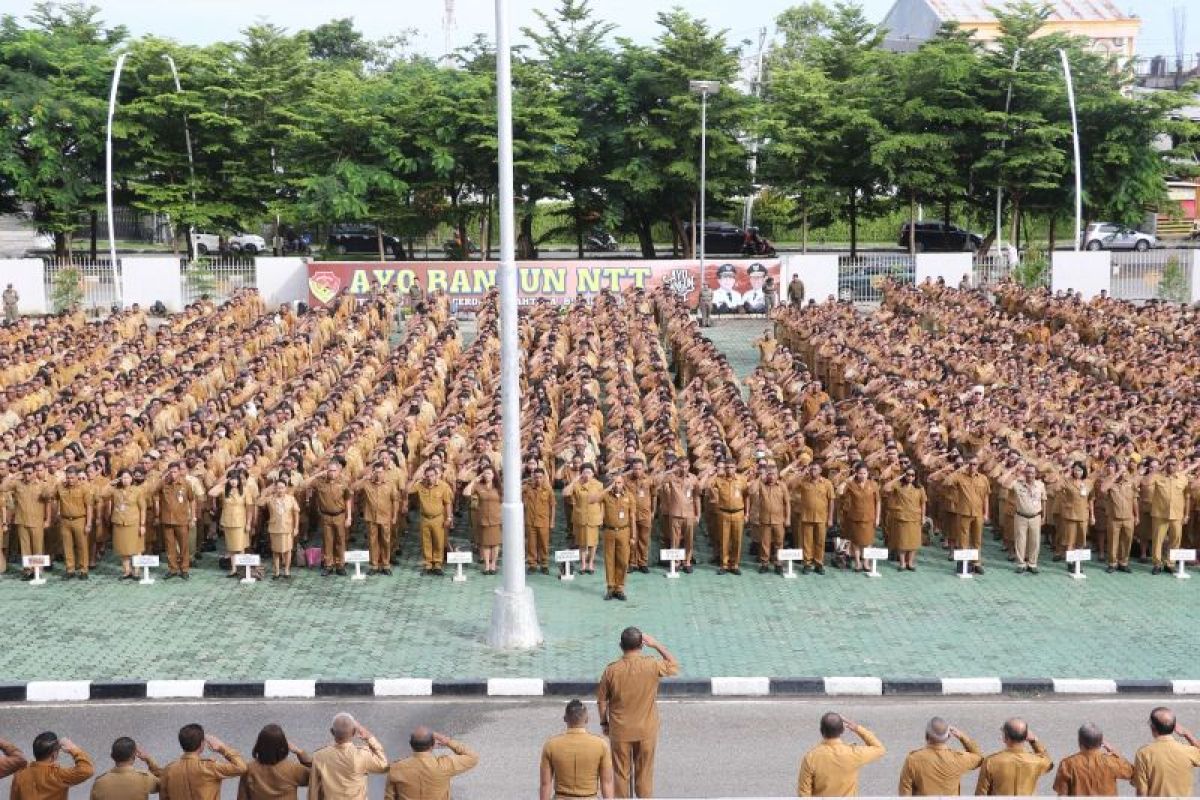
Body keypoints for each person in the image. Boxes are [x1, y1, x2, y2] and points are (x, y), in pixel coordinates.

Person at [597, 628, 680, 798]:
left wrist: (604, 723)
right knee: (644, 774)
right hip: (646, 730)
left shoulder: (611, 670)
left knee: (620, 774)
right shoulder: (652, 664)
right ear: (642, 644)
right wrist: (656, 644)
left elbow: (602, 700)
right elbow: (673, 665)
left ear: (621, 645)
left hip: (620, 731)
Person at [796, 712, 886, 797]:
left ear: (821, 731)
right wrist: (857, 728)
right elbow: (879, 749)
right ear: (842, 730)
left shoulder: (810, 757)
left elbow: (804, 793)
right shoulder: (854, 754)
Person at [540, 700, 614, 800]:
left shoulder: (551, 745)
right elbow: (607, 783)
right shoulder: (601, 745)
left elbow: (545, 784)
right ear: (587, 719)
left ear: (565, 719)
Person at [383, 727, 477, 800]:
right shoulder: (444, 765)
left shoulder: (396, 768)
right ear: (432, 745)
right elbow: (472, 757)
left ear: (411, 745)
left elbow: (389, 797)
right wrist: (446, 740)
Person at [309, 714, 387, 800]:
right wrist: (369, 737)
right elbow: (383, 766)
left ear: (332, 732)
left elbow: (314, 789)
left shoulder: (319, 756)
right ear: (354, 732)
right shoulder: (362, 754)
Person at [158, 725, 246, 800]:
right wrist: (222, 748)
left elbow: (164, 797)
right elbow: (241, 767)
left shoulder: (168, 770)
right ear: (202, 744)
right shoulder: (209, 767)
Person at [897, 718, 981, 796]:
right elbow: (979, 758)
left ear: (926, 736)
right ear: (948, 736)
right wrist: (962, 737)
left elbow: (905, 791)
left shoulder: (913, 759)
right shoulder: (959, 758)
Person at [1132, 707, 1200, 797]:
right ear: (1174, 727)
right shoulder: (1188, 751)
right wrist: (1188, 735)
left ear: (1153, 727)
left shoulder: (1143, 753)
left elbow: (1142, 791)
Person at [974, 718, 1052, 796]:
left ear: (1005, 738)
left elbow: (981, 793)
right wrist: (1034, 741)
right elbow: (1049, 764)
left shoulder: (991, 761)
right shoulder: (1038, 761)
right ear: (1026, 737)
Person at [1052, 723, 1131, 796]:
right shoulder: (1111, 761)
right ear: (1101, 743)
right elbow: (1131, 772)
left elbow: (1062, 793)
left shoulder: (1067, 764)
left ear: (1080, 742)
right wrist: (1114, 751)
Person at [304, 460, 353, 577]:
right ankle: (328, 565)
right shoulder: (320, 482)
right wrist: (318, 474)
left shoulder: (344, 482)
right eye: (329, 470)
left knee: (340, 541)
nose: (331, 473)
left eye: (334, 470)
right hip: (326, 516)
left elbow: (348, 500)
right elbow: (304, 484)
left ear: (338, 471)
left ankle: (340, 564)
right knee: (327, 541)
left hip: (339, 515)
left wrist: (349, 517)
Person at [237, 724, 311, 800]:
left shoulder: (249, 769)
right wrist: (300, 753)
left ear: (259, 744)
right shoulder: (293, 769)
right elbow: (318, 776)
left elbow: (241, 797)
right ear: (284, 745)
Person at [9, 733, 92, 800]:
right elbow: (87, 770)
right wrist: (73, 748)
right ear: (54, 755)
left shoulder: (19, 776)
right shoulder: (57, 775)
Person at [707, 458, 747, 575]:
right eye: (727, 467)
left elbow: (746, 496)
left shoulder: (742, 480)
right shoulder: (718, 480)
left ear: (735, 468)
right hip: (723, 512)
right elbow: (707, 486)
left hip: (738, 512)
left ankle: (735, 564)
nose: (729, 470)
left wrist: (747, 512)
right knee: (724, 539)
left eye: (732, 467)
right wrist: (712, 474)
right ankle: (724, 564)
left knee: (737, 539)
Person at [413, 465, 453, 576]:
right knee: (426, 542)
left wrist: (449, 518)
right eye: (427, 476)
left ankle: (438, 564)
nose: (430, 478)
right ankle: (428, 564)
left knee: (438, 541)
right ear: (424, 477)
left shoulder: (443, 486)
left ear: (436, 476)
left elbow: (447, 503)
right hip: (424, 518)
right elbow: (407, 490)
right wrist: (416, 478)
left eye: (432, 475)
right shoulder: (420, 486)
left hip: (438, 518)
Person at [90, 737, 162, 800]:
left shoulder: (99, 782)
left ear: (112, 756)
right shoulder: (145, 778)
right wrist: (148, 759)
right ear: (134, 755)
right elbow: (164, 784)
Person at [601, 474, 636, 601]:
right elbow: (592, 500)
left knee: (623, 561)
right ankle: (610, 587)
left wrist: (633, 535)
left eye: (619, 482)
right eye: (615, 483)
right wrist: (606, 488)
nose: (617, 485)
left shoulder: (629, 497)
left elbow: (632, 517)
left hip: (624, 531)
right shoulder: (606, 495)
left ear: (623, 483)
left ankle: (620, 588)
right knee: (609, 560)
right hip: (609, 531)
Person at [1007, 464, 1046, 574]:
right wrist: (1014, 471)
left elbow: (1044, 501)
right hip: (1021, 516)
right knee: (1020, 540)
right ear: (1024, 473)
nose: (1030, 475)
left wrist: (1044, 516)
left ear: (1036, 474)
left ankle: (1032, 564)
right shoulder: (1017, 484)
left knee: (1035, 541)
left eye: (1032, 473)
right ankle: (1021, 563)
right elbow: (1003, 483)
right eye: (1027, 472)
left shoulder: (1040, 485)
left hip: (1036, 516)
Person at [258, 479, 301, 579]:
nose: (280, 490)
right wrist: (267, 491)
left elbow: (296, 513)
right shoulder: (270, 499)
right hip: (275, 528)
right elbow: (259, 503)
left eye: (282, 488)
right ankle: (276, 571)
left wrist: (296, 527)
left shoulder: (291, 498)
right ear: (275, 488)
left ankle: (286, 570)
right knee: (275, 551)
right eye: (278, 488)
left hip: (287, 528)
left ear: (286, 488)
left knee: (288, 550)